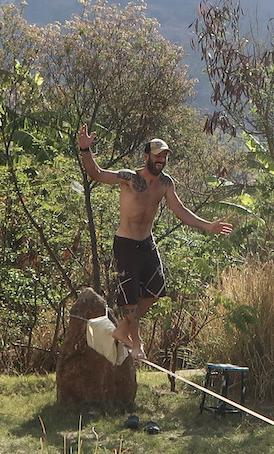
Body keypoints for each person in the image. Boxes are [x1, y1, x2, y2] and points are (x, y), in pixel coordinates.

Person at [77, 127, 233, 361]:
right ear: (146, 156)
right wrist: (85, 149)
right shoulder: (130, 178)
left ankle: (122, 330)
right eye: (158, 155)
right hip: (126, 244)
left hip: (147, 244)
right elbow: (97, 174)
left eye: (164, 156)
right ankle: (136, 342)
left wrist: (208, 226)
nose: (161, 159)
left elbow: (180, 210)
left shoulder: (165, 183)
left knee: (155, 291)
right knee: (130, 298)